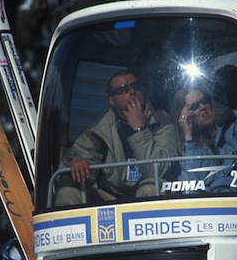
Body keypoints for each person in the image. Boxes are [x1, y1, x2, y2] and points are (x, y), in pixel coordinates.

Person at [54, 70, 179, 205]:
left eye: (135, 86)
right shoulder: (100, 130)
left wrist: (140, 130)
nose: (132, 91)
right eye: (123, 89)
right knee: (67, 194)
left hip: (147, 197)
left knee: (151, 188)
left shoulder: (161, 121)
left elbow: (158, 171)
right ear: (111, 100)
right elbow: (65, 175)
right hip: (112, 200)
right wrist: (74, 162)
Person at [171, 87, 237, 192]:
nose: (202, 107)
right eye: (194, 106)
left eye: (204, 101)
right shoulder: (189, 145)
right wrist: (188, 137)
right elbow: (193, 184)